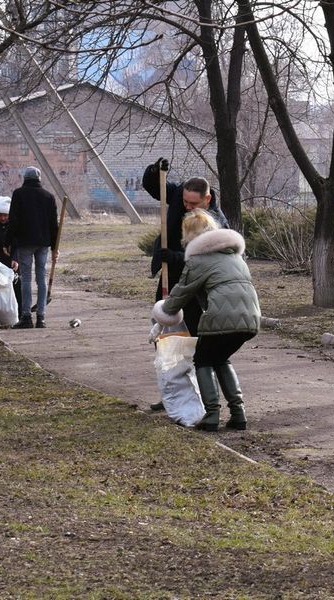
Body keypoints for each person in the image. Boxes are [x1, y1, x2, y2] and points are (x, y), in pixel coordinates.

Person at [152, 209, 260, 431]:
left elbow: (180, 294)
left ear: (189, 236)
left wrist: (163, 310)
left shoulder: (198, 260)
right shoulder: (234, 256)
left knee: (202, 359)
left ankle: (211, 414)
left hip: (222, 319)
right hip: (250, 319)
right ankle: (238, 413)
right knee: (220, 358)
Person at [143, 158, 230, 412]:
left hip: (198, 291)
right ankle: (172, 392)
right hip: (171, 280)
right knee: (167, 337)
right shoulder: (179, 194)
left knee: (194, 340)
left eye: (194, 204)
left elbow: (210, 258)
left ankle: (203, 398)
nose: (188, 207)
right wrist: (155, 170)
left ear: (208, 199)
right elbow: (152, 185)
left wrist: (175, 256)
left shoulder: (215, 221)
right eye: (185, 202)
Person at [7, 166, 59, 329]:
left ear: (25, 178)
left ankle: (26, 317)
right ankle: (41, 318)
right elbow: (53, 224)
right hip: (43, 243)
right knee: (41, 279)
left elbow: (13, 220)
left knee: (26, 279)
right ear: (39, 179)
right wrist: (55, 247)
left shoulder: (18, 194)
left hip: (24, 242)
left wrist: (8, 242)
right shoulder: (48, 197)